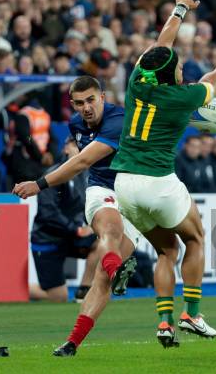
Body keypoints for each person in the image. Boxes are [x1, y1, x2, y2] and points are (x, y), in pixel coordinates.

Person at [110, 0, 216, 348]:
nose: (181, 67)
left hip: (124, 184)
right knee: (195, 238)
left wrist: (181, 8)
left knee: (165, 251)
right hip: (158, 182)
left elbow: (161, 46)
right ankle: (191, 312)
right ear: (170, 73)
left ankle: (163, 321)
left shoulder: (138, 82)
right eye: (177, 66)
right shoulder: (183, 97)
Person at [12, 76, 142, 357]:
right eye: (79, 103)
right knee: (109, 233)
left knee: (104, 279)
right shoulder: (76, 124)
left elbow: (82, 160)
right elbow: (83, 164)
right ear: (72, 104)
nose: (86, 108)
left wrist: (39, 184)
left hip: (134, 193)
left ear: (103, 97)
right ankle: (72, 342)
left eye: (91, 100)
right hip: (101, 189)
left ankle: (111, 276)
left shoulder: (118, 121)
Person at [30, 138, 99, 303]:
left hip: (69, 236)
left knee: (103, 242)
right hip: (47, 239)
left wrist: (91, 226)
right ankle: (15, 290)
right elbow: (48, 213)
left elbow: (85, 206)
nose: (81, 149)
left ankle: (84, 291)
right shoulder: (52, 175)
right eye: (76, 145)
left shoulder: (86, 175)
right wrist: (75, 229)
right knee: (58, 297)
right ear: (66, 148)